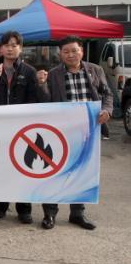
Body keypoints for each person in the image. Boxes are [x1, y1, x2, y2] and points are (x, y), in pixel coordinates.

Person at [36, 35, 112, 230]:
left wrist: (106, 110)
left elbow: (107, 94)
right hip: (61, 131)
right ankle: (50, 213)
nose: (70, 55)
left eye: (74, 50)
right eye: (66, 51)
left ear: (82, 51)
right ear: (60, 54)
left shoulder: (95, 70)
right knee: (54, 171)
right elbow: (45, 102)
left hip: (89, 130)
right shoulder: (53, 74)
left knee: (83, 171)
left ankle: (77, 213)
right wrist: (42, 84)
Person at [0, 31, 37, 224]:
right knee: (2, 168)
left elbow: (33, 100)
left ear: (20, 48)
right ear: (0, 49)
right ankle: (0, 207)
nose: (10, 48)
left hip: (22, 128)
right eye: (6, 45)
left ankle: (24, 209)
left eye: (14, 45)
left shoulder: (29, 72)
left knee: (23, 167)